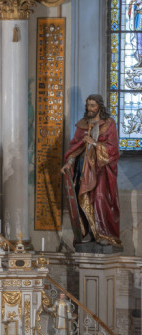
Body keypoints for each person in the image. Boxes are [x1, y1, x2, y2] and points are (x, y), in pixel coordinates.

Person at [62, 94, 121, 248]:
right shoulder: (82, 124)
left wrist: (94, 143)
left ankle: (103, 233)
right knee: (83, 199)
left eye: (93, 105)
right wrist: (69, 163)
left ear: (99, 107)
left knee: (100, 199)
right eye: (88, 105)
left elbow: (113, 150)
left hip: (101, 170)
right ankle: (88, 232)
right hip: (82, 169)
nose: (90, 108)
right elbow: (75, 147)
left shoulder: (109, 124)